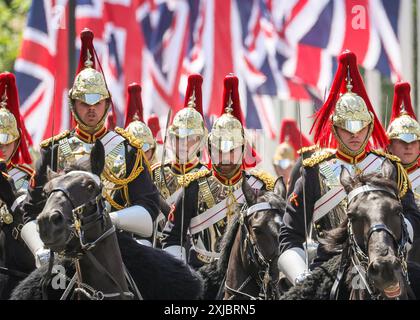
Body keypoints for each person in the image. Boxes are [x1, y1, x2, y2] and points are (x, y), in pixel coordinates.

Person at [278, 50, 420, 286]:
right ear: (335, 129)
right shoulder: (312, 169)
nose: (355, 134)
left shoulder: (389, 166)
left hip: (385, 262)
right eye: (347, 127)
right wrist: (302, 277)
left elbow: (413, 216)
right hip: (328, 267)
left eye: (360, 127)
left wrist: (394, 241)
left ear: (370, 126)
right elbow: (290, 235)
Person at [20, 28, 160, 267]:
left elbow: (148, 211)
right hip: (62, 252)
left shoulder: (128, 149)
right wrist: (38, 250)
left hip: (119, 248)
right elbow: (30, 212)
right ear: (74, 104)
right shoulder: (53, 149)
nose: (91, 109)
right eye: (84, 102)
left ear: (107, 104)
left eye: (97, 102)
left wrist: (109, 218)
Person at [161, 74, 276, 268]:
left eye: (231, 150)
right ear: (209, 148)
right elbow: (172, 237)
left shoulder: (261, 186)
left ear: (242, 150)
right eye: (218, 150)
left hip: (250, 270)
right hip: (203, 270)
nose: (224, 157)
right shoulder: (194, 185)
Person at [0, 72, 36, 280]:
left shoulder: (28, 177)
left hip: (18, 264)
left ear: (17, 140)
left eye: (8, 143)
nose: (3, 148)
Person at [386, 82, 420, 206]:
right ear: (389, 146)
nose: (408, 146)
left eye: (413, 142)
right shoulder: (380, 176)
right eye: (402, 141)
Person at [273, 118, 312, 191]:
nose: (282, 171)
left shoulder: (300, 187)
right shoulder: (274, 187)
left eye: (286, 166)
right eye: (279, 167)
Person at [124, 83, 157, 165]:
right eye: (135, 151)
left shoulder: (162, 175)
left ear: (153, 150)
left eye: (146, 150)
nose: (141, 156)